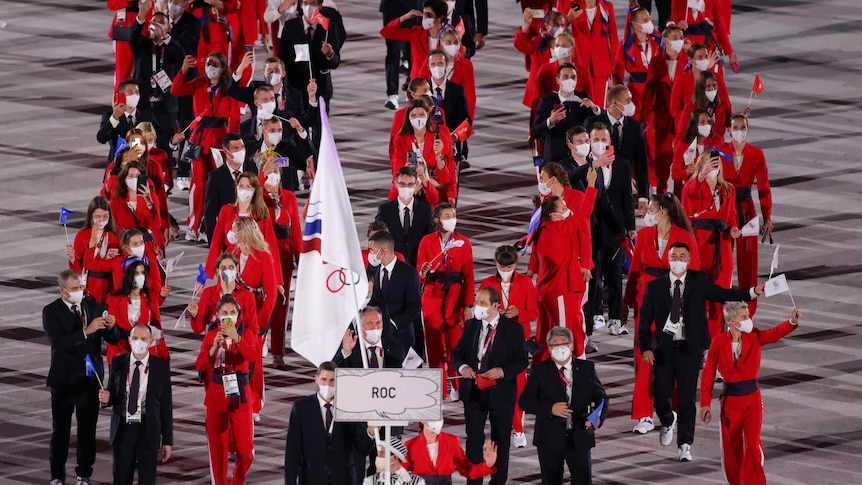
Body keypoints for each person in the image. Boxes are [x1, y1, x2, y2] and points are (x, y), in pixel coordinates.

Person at [638, 242, 764, 462]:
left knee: (687, 397)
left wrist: (751, 292)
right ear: (668, 259)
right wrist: (646, 348)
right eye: (674, 255)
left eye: (682, 256)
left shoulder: (698, 281)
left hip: (690, 349)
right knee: (659, 393)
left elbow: (723, 293)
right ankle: (667, 420)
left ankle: (685, 444)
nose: (678, 260)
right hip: (664, 349)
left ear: (688, 260)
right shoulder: (655, 287)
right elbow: (644, 321)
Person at [700, 303, 802, 485]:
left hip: (752, 402)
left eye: (748, 315)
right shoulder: (718, 342)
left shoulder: (755, 336)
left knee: (753, 445)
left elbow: (773, 334)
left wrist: (791, 322)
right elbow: (708, 373)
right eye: (744, 317)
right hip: (730, 403)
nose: (749, 320)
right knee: (732, 451)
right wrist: (705, 404)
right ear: (732, 322)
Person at [624, 193, 700, 434]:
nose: (648, 215)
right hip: (645, 302)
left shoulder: (685, 237)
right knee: (644, 357)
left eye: (652, 210)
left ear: (663, 212)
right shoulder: (645, 235)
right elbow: (635, 269)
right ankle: (644, 415)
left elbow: (694, 273)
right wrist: (625, 302)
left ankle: (671, 409)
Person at [43, 270, 122, 485]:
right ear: (63, 290)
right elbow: (59, 342)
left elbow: (113, 339)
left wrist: (112, 326)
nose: (80, 292)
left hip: (90, 379)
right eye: (75, 289)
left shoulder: (93, 306)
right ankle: (57, 475)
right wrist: (86, 331)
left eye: (81, 287)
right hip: (64, 381)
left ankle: (83, 473)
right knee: (61, 430)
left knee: (88, 431)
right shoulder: (51, 311)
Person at [452, 287, 528, 485]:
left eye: (483, 303)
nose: (478, 307)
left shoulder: (513, 329)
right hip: (474, 393)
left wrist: (502, 371)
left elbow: (522, 361)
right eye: (477, 302)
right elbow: (456, 354)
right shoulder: (471, 326)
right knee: (474, 441)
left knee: (500, 443)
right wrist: (463, 367)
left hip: (500, 394)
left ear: (496, 306)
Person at [519, 327, 608, 485]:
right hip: (549, 439)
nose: (559, 348)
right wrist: (550, 408)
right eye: (554, 345)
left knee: (583, 480)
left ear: (572, 346)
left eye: (564, 343)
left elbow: (601, 396)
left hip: (579, 437)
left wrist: (597, 418)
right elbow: (525, 401)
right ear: (549, 347)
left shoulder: (586, 368)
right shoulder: (540, 370)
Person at [170, 51, 240, 241]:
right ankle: (193, 226)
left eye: (215, 64)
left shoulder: (229, 89)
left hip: (220, 142)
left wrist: (232, 145)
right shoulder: (199, 83)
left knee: (219, 185)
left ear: (223, 68)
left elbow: (234, 119)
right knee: (198, 184)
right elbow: (176, 90)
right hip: (198, 140)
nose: (210, 67)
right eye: (208, 63)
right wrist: (183, 71)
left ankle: (210, 226)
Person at [195, 295, 259, 485]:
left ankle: (238, 481)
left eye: (232, 312)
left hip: (241, 394)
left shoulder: (246, 334)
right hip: (217, 395)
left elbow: (253, 356)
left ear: (238, 314)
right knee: (218, 450)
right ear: (217, 315)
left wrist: (237, 338)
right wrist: (213, 348)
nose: (228, 316)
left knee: (246, 451)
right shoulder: (210, 336)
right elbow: (199, 365)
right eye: (224, 313)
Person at [478, 245, 538, 449]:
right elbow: (480, 310)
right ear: (495, 263)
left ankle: (518, 428)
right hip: (493, 339)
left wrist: (518, 313)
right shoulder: (487, 283)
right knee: (495, 387)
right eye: (501, 266)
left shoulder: (526, 283)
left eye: (509, 266)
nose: (505, 270)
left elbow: (534, 313)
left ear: (515, 265)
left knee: (518, 385)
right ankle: (499, 426)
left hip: (517, 341)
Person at [99, 324, 173, 485]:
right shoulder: (118, 362)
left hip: (148, 428)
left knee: (147, 479)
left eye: (143, 339)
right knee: (121, 478)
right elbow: (112, 392)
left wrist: (167, 440)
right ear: (129, 341)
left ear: (151, 341)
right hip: (123, 429)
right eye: (135, 338)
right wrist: (106, 399)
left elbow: (166, 405)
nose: (139, 342)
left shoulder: (161, 367)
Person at [581, 122, 637, 338]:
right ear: (589, 142)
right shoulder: (584, 166)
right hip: (592, 228)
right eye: (596, 139)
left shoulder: (622, 165)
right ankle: (595, 315)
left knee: (614, 275)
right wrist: (595, 165)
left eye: (604, 139)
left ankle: (615, 318)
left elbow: (626, 199)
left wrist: (630, 228)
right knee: (593, 275)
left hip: (616, 229)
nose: (600, 143)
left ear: (610, 142)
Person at [417, 202, 474, 400]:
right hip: (432, 298)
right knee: (433, 348)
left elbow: (469, 276)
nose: (452, 219)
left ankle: (456, 384)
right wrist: (422, 273)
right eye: (447, 216)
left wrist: (468, 305)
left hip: (455, 298)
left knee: (454, 347)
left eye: (454, 215)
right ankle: (438, 388)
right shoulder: (426, 242)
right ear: (437, 220)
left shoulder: (463, 242)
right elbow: (420, 273)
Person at [284, 361, 375, 485]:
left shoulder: (349, 407)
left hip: (343, 480)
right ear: (316, 379)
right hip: (311, 479)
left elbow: (362, 449)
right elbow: (292, 452)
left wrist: (370, 433)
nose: (327, 384)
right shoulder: (301, 408)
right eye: (324, 380)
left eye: (332, 381)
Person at [683, 151, 740, 340]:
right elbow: (689, 195)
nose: (712, 165)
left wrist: (733, 229)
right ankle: (696, 344)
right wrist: (700, 175)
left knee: (719, 301)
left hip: (721, 251)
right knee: (697, 300)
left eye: (715, 162)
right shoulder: (693, 186)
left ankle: (714, 343)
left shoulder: (728, 189)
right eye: (708, 162)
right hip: (699, 249)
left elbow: (731, 217)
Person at [721, 115, 773, 317]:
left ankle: (747, 312)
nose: (739, 131)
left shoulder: (756, 154)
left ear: (748, 129)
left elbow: (764, 187)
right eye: (735, 127)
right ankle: (720, 305)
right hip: (726, 210)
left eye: (743, 127)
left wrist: (767, 216)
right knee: (723, 260)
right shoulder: (722, 153)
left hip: (747, 211)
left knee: (748, 262)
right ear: (729, 130)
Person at [228, 216, 279, 420]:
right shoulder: (232, 254)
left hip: (255, 314)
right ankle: (235, 399)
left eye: (234, 229)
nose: (231, 232)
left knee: (254, 361)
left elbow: (272, 293)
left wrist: (261, 322)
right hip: (234, 315)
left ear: (244, 232)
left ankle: (255, 404)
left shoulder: (263, 256)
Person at [531, 194, 593, 360]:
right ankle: (564, 371)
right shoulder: (555, 229)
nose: (568, 211)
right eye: (564, 209)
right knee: (563, 334)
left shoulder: (547, 228)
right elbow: (584, 215)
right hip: (558, 290)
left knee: (558, 330)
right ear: (554, 215)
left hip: (558, 290)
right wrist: (592, 185)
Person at [260, 161, 302, 368]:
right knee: (261, 303)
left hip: (284, 258)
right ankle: (258, 343)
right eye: (270, 171)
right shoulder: (258, 196)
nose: (274, 175)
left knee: (281, 306)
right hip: (263, 257)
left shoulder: (289, 197)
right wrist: (261, 179)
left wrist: (299, 256)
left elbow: (295, 229)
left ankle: (278, 352)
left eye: (277, 171)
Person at [204, 172, 281, 279]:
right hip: (230, 268)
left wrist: (277, 281)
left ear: (255, 190)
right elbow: (216, 244)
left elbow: (271, 247)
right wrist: (206, 276)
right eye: (241, 186)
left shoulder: (262, 214)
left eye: (248, 186)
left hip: (255, 268)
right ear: (236, 188)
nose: (244, 190)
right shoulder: (226, 211)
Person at [585, 85, 650, 210]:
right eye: (628, 100)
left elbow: (641, 163)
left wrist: (643, 196)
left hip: (623, 192)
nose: (631, 104)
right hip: (597, 188)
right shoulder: (593, 123)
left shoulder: (635, 127)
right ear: (614, 102)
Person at [130, 5, 185, 151]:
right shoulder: (142, 45)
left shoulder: (173, 48)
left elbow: (182, 56)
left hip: (166, 105)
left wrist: (165, 38)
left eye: (160, 23)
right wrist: (141, 16)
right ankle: (137, 172)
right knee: (138, 145)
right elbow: (133, 37)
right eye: (153, 22)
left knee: (164, 146)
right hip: (144, 103)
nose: (155, 25)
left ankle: (163, 173)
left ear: (168, 29)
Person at [642, 24, 687, 194]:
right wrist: (644, 117)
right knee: (663, 155)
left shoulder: (688, 60)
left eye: (681, 37)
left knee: (683, 154)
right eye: (675, 38)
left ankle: (679, 193)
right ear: (666, 41)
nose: (679, 41)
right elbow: (649, 91)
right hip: (663, 116)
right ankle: (661, 190)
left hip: (684, 117)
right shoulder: (657, 62)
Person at [277, 0, 346, 104]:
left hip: (321, 90)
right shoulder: (290, 26)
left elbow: (335, 62)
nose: (308, 7)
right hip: (295, 92)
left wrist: (330, 54)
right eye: (305, 3)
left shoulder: (328, 28)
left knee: (319, 120)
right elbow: (282, 58)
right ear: (300, 5)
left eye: (313, 3)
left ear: (320, 6)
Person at [533, 63, 601, 164]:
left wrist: (595, 108)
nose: (570, 80)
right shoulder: (547, 101)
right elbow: (536, 132)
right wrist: (550, 121)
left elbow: (599, 125)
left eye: (573, 77)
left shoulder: (583, 99)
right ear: (558, 80)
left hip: (579, 159)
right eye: (565, 77)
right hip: (555, 159)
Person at [390, 100, 456, 203]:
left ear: (428, 115)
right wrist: (406, 171)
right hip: (411, 188)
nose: (418, 118)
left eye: (421, 114)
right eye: (414, 115)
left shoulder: (439, 137)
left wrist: (439, 155)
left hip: (435, 190)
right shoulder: (400, 140)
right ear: (409, 118)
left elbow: (445, 178)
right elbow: (396, 171)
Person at [107, 258, 170, 365]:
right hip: (122, 351)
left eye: (142, 273)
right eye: (136, 273)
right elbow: (111, 332)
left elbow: (157, 326)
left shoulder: (150, 297)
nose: (141, 276)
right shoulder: (113, 299)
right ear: (128, 275)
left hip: (146, 353)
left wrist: (163, 355)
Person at [366, 232, 422, 353]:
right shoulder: (371, 270)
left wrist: (394, 324)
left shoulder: (408, 272)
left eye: (372, 250)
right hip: (378, 338)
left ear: (383, 250)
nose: (369, 254)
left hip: (402, 337)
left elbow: (414, 307)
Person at [66, 196, 123, 304]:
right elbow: (79, 267)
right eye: (98, 216)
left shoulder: (117, 233)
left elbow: (123, 257)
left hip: (111, 282)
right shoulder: (82, 235)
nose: (101, 220)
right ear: (91, 216)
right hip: (91, 284)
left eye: (105, 216)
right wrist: (73, 259)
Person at [202, 133, 258, 243]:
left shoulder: (253, 169)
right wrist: (214, 242)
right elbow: (210, 213)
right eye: (236, 148)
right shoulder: (215, 177)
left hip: (253, 234)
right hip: (228, 237)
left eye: (242, 147)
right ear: (226, 151)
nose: (241, 151)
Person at [375, 166, 436, 267]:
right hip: (392, 265)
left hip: (417, 265)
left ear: (416, 184)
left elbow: (430, 239)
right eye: (402, 184)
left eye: (410, 184)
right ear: (396, 183)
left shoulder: (425, 210)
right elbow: (378, 238)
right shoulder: (385, 210)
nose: (406, 188)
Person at [612, 5, 662, 123]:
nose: (649, 22)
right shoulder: (625, 46)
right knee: (637, 123)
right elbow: (617, 72)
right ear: (634, 24)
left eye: (649, 19)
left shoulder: (657, 41)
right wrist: (620, 95)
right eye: (645, 20)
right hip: (636, 91)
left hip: (656, 89)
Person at [403, 420, 496, 482]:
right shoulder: (411, 445)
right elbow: (400, 473)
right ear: (423, 420)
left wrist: (487, 465)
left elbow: (467, 469)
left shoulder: (451, 441)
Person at [189, 253, 260, 335]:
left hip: (238, 343)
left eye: (231, 267)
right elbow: (198, 329)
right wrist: (195, 315)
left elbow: (252, 330)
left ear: (237, 269)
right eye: (223, 268)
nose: (227, 271)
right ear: (217, 271)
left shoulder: (248, 296)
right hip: (214, 343)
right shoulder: (209, 292)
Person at [380, 0, 448, 80]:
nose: (425, 18)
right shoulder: (416, 33)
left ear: (440, 18)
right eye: (424, 14)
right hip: (418, 83)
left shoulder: (449, 36)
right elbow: (386, 32)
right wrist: (404, 17)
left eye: (429, 15)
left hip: (442, 83)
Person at [110, 161, 166, 259]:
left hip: (146, 243)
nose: (134, 179)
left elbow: (156, 223)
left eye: (137, 176)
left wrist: (159, 244)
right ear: (124, 179)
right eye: (130, 176)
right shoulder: (117, 198)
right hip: (126, 244)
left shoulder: (151, 196)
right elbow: (113, 224)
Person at [97, 79, 159, 166]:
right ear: (121, 95)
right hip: (118, 165)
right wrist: (114, 118)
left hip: (142, 166)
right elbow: (101, 138)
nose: (135, 95)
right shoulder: (110, 116)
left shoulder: (147, 116)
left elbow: (158, 136)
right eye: (130, 92)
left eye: (137, 92)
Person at [569, 0, 619, 107]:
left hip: (601, 64)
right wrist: (568, 18)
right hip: (580, 62)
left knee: (599, 104)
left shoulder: (606, 7)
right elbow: (560, 26)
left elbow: (613, 36)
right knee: (580, 103)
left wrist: (615, 65)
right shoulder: (574, 5)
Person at [335, 305, 406, 369]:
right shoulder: (351, 348)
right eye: (369, 323)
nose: (375, 327)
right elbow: (336, 373)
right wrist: (346, 352)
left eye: (378, 323)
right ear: (360, 326)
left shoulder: (395, 348)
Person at [671, 108, 723, 195]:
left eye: (708, 122)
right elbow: (675, 175)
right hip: (691, 191)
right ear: (694, 125)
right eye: (703, 122)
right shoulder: (683, 145)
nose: (707, 125)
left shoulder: (717, 140)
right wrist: (686, 172)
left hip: (712, 190)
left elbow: (723, 167)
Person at [670, 0, 735, 68]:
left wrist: (730, 53)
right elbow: (672, 23)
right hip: (686, 49)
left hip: (708, 49)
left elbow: (721, 28)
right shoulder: (678, 1)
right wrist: (677, 27)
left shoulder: (712, 1)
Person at [677, 70, 733, 140]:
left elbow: (732, 127)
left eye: (714, 85)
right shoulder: (689, 109)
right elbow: (681, 134)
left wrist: (741, 118)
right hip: (696, 148)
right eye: (708, 86)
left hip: (716, 148)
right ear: (701, 88)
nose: (712, 88)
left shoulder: (723, 106)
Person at [379, 0, 413, 110]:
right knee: (393, 51)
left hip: (413, 6)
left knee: (412, 50)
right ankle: (392, 95)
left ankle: (412, 87)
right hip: (392, 6)